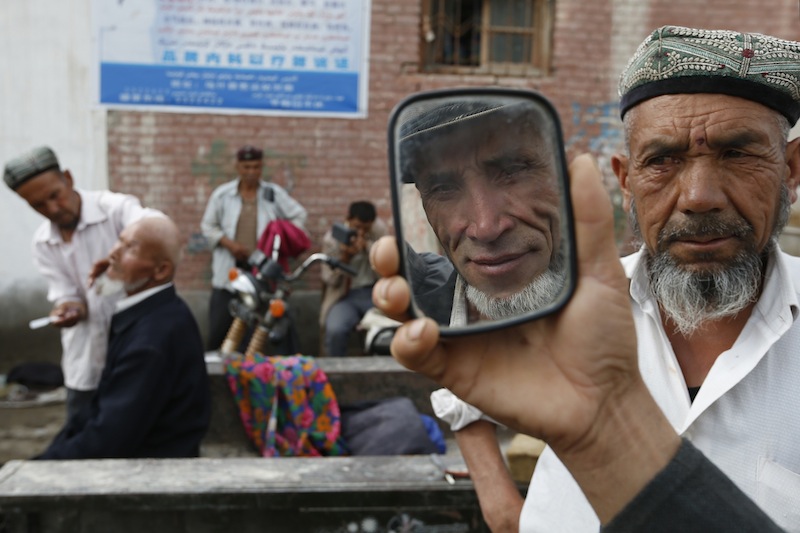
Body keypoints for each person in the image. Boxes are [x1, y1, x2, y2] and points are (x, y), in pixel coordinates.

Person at [382, 25, 800, 532]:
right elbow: (465, 373)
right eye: (662, 160)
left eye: (736, 154)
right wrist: (498, 500)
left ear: (792, 170)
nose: (698, 196)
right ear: (626, 180)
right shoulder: (563, 306)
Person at [3, 146, 163, 429]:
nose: (52, 209)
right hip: (85, 362)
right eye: (39, 205)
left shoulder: (114, 209)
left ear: (68, 177)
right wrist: (69, 309)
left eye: (55, 195)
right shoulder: (43, 243)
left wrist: (120, 257)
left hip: (137, 353)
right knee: (83, 442)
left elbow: (157, 227)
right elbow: (68, 295)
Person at [35, 216, 211, 459]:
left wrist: (39, 467)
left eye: (131, 248)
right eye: (119, 241)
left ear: (161, 270)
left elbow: (108, 439)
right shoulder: (155, 312)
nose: (113, 253)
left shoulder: (151, 341)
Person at [201, 145, 308, 351]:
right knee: (219, 330)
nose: (251, 172)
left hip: (260, 274)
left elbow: (299, 216)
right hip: (228, 275)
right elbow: (208, 226)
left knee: (255, 335)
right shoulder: (222, 195)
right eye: (246, 167)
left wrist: (280, 235)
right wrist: (229, 244)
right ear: (238, 167)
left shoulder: (273, 194)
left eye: (256, 167)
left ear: (262, 168)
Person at [320, 200, 388, 356]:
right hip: (343, 296)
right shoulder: (332, 239)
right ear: (348, 220)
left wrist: (368, 248)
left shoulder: (378, 231)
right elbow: (329, 279)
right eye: (357, 227)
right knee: (335, 330)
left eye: (366, 229)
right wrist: (345, 258)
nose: (361, 233)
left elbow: (388, 266)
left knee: (388, 328)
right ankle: (336, 373)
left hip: (374, 292)